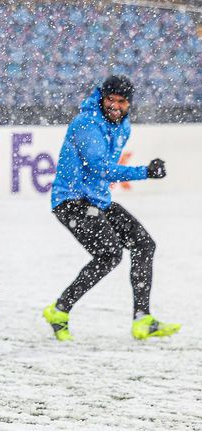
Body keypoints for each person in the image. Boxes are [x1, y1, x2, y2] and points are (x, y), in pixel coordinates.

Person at [43, 75, 180, 341]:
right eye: (110, 100)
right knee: (109, 255)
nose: (115, 106)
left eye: (121, 101)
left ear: (129, 103)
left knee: (144, 244)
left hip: (97, 200)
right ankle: (59, 310)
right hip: (71, 202)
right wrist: (145, 172)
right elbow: (100, 168)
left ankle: (142, 319)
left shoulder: (123, 126)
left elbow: (101, 173)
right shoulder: (87, 123)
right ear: (102, 98)